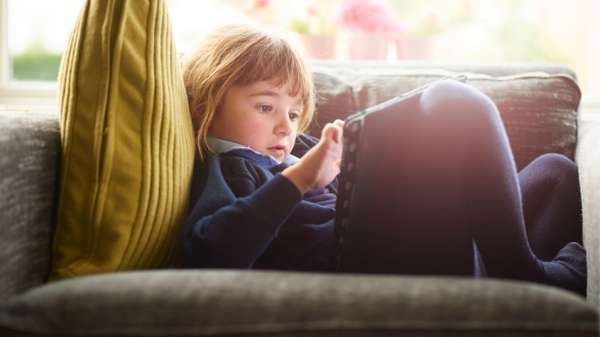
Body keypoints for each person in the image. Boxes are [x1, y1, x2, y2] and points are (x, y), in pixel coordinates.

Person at [180, 25, 586, 295]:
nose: (285, 127)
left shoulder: (294, 150)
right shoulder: (226, 167)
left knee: (555, 174)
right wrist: (300, 179)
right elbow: (210, 254)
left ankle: (513, 279)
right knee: (452, 102)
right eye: (265, 107)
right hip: (364, 266)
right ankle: (525, 274)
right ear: (205, 105)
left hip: (411, 240)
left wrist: (349, 154)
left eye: (292, 112)